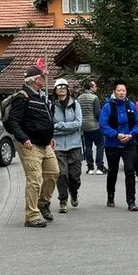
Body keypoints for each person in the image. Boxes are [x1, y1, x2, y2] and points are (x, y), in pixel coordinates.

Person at [7, 65, 59, 228]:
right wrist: (23, 139)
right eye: (43, 77)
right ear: (36, 80)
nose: (45, 79)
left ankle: (43, 203)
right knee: (34, 179)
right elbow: (12, 121)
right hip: (30, 145)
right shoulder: (23, 97)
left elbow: (45, 119)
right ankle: (32, 216)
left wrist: (50, 136)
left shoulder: (39, 96)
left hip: (45, 143)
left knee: (53, 173)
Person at [99, 80, 138, 211]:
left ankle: (131, 201)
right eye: (119, 90)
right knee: (113, 171)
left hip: (129, 143)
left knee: (130, 170)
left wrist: (131, 134)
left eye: (123, 90)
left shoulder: (131, 105)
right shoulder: (107, 107)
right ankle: (110, 196)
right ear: (114, 92)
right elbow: (103, 125)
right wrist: (116, 135)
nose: (121, 93)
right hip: (112, 144)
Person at [50, 78, 83, 213]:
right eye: (59, 87)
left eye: (64, 86)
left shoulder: (75, 104)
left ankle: (73, 192)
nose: (62, 89)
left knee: (75, 176)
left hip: (74, 144)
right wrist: (63, 128)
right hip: (58, 146)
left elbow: (78, 123)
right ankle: (63, 200)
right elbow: (50, 126)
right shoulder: (52, 106)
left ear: (68, 89)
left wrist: (60, 126)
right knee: (62, 174)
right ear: (55, 90)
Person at [77, 80, 106, 175]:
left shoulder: (79, 98)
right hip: (94, 125)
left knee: (88, 147)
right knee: (100, 145)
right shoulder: (94, 98)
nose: (96, 88)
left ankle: (90, 168)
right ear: (91, 87)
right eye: (95, 86)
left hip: (84, 126)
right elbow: (97, 113)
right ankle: (99, 167)